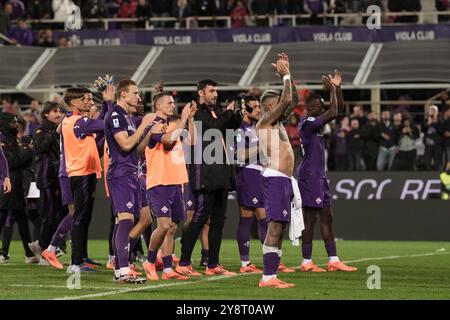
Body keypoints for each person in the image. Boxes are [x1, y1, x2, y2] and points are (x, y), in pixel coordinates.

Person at [176, 79, 242, 276]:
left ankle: (213, 265)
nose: (215, 94)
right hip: (205, 172)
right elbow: (214, 127)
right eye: (211, 90)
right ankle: (183, 262)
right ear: (201, 93)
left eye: (216, 90)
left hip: (221, 171)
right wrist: (229, 113)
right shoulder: (196, 111)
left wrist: (237, 114)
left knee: (219, 221)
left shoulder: (215, 112)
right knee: (199, 218)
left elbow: (228, 130)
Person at [297, 70, 357, 273]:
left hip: (319, 176)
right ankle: (306, 262)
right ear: (312, 106)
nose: (323, 107)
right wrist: (331, 90)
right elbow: (332, 112)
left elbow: (337, 109)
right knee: (310, 219)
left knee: (327, 216)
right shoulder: (307, 123)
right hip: (309, 176)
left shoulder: (317, 121)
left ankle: (333, 259)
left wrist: (337, 88)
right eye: (320, 105)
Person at [104, 79, 158, 284]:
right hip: (120, 173)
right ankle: (123, 270)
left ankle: (120, 269)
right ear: (123, 94)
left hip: (131, 172)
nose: (138, 96)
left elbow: (137, 149)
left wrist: (148, 132)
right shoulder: (116, 114)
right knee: (125, 220)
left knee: (129, 221)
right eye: (135, 93)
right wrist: (143, 124)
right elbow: (125, 144)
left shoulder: (126, 116)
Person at [256, 52, 299, 288]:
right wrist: (285, 76)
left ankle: (272, 274)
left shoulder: (277, 122)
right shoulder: (264, 122)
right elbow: (286, 102)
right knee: (274, 226)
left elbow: (293, 101)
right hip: (274, 179)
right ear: (269, 107)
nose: (281, 105)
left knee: (279, 227)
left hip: (283, 179)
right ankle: (268, 277)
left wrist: (289, 74)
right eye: (276, 103)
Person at [142, 92, 196, 281]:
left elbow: (192, 142)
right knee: (163, 225)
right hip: (159, 181)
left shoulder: (173, 125)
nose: (172, 105)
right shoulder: (154, 124)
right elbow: (167, 141)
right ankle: (149, 260)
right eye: (169, 103)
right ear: (158, 105)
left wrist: (189, 119)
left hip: (175, 181)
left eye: (173, 103)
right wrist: (182, 118)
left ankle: (166, 270)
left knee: (172, 228)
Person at [61, 87, 107, 272]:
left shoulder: (72, 121)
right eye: (86, 99)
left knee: (83, 217)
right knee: (80, 218)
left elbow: (100, 130)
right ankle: (76, 262)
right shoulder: (80, 122)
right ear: (74, 102)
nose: (90, 102)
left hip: (81, 173)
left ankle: (81, 258)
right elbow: (107, 124)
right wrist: (108, 103)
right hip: (82, 174)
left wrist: (104, 104)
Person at [27, 102, 64, 264]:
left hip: (57, 177)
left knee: (59, 215)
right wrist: (55, 133)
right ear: (45, 115)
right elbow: (40, 148)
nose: (58, 114)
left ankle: (44, 246)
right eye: (54, 111)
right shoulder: (40, 130)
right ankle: (43, 251)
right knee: (49, 216)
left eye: (59, 111)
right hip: (47, 178)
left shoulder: (55, 130)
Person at [0, 113, 36, 263]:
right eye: (13, 122)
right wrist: (28, 151)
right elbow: (11, 162)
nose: (17, 124)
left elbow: (20, 163)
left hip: (18, 185)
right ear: (5, 123)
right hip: (7, 185)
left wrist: (28, 153)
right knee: (3, 218)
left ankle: (29, 253)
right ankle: (5, 252)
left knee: (22, 220)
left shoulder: (13, 139)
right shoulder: (3, 140)